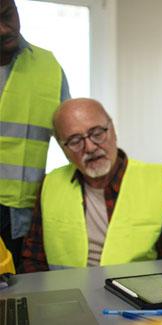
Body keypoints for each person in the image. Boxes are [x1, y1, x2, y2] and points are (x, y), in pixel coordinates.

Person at [20, 98, 162, 272]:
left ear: (113, 130)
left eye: (97, 133)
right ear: (64, 149)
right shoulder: (50, 184)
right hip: (64, 295)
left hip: (136, 296)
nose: (91, 147)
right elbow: (33, 259)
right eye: (75, 140)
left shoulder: (161, 180)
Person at [0, 0, 71, 269]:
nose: (4, 28)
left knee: (19, 295)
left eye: (8, 14)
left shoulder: (48, 66)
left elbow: (71, 137)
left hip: (23, 212)